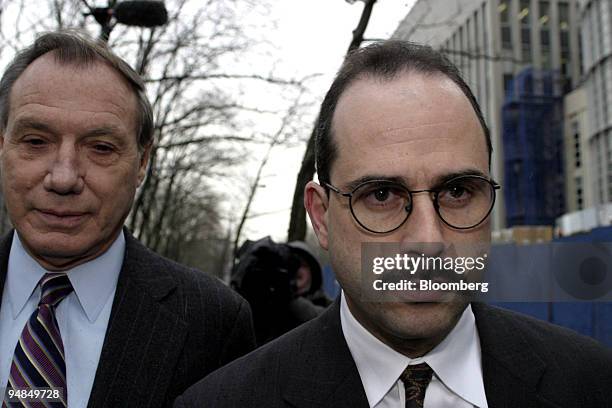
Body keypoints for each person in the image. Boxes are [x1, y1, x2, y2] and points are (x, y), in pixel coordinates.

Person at [174, 41, 612, 407]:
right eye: (381, 195)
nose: (427, 241)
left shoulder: (591, 383)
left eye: (457, 191)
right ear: (321, 217)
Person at [0, 31, 255, 408]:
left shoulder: (213, 322)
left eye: (101, 148)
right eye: (36, 141)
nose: (64, 177)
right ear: (2, 145)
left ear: (142, 162)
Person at [231, 237, 330, 345]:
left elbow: (325, 321)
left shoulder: (327, 305)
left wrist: (288, 299)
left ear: (313, 274)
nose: (297, 269)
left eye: (303, 265)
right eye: (291, 263)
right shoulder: (267, 297)